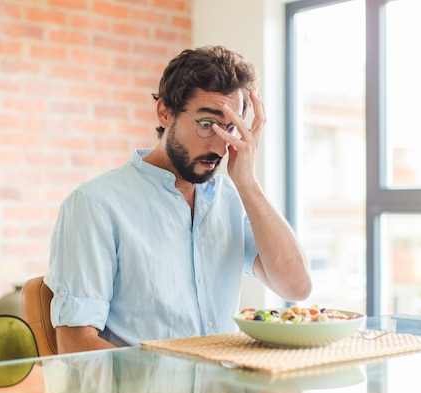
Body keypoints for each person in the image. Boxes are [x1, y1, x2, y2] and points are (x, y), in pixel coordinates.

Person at [45, 45, 312, 353]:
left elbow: (296, 286)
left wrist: (248, 184)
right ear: (165, 112)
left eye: (229, 128)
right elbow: (75, 345)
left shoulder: (230, 199)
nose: (219, 146)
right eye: (206, 124)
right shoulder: (95, 204)